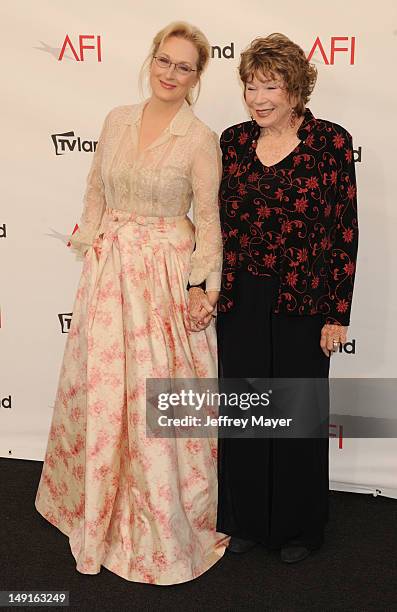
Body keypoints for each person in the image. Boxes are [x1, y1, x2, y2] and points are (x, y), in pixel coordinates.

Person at [35, 21, 229, 585]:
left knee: (153, 396)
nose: (171, 73)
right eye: (164, 61)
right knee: (103, 390)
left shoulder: (199, 138)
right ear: (152, 60)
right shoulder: (116, 119)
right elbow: (95, 188)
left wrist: (204, 286)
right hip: (110, 273)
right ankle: (91, 505)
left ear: (197, 76)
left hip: (163, 279)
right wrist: (91, 244)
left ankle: (159, 520)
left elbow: (210, 220)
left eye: (184, 66)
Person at [216, 33, 358, 563]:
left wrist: (337, 313)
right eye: (251, 86)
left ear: (296, 89)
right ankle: (246, 520)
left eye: (270, 86)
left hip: (306, 298)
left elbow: (345, 230)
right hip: (242, 298)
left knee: (297, 416)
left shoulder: (331, 142)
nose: (258, 98)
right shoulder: (230, 142)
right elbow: (215, 224)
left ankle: (300, 528)